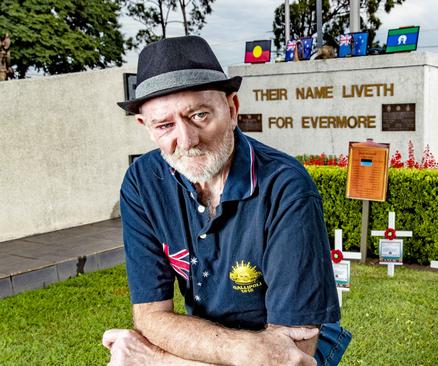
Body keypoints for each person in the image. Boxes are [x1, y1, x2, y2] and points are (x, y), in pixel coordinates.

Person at [103, 36, 351, 365]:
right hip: (219, 340)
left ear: (232, 108)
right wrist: (241, 351)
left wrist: (158, 360)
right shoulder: (142, 183)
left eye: (200, 116)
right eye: (165, 125)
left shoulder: (286, 186)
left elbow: (291, 358)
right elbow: (150, 317)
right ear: (145, 126)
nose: (187, 140)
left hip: (305, 338)